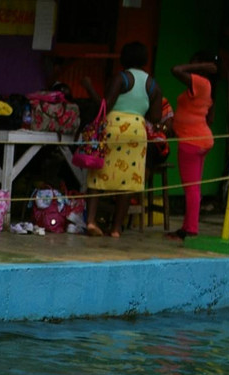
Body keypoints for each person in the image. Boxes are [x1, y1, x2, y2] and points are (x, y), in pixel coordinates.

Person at [84, 41, 162, 238]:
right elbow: (156, 118)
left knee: (98, 172)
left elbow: (105, 106)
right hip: (137, 130)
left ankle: (91, 221)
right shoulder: (153, 84)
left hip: (114, 127)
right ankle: (116, 229)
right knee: (129, 180)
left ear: (124, 58)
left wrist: (89, 88)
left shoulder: (121, 78)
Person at [166, 53, 220, 241]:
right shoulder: (207, 86)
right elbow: (210, 118)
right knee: (194, 187)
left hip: (191, 141)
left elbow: (175, 70)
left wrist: (200, 67)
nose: (187, 65)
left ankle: (190, 229)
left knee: (191, 188)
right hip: (202, 139)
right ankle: (188, 227)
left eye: (192, 63)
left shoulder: (200, 82)